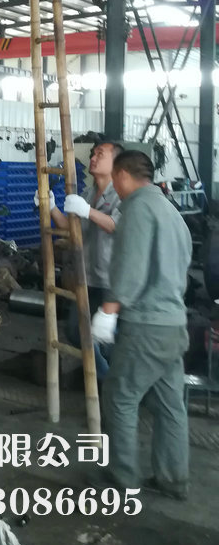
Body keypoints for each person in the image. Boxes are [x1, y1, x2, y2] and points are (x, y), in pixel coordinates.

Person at [91, 150, 192, 499]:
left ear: (121, 175)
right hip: (174, 323)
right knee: (170, 405)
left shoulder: (136, 209)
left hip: (146, 326)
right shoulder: (170, 210)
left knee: (120, 396)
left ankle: (122, 477)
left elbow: (130, 268)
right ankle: (172, 479)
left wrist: (108, 310)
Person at [37, 140, 123, 378]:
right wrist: (52, 207)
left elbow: (118, 226)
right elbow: (70, 229)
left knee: (114, 339)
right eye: (93, 154)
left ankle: (116, 383)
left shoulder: (121, 194)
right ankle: (106, 377)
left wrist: (88, 211)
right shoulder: (87, 193)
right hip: (87, 277)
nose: (93, 158)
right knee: (77, 332)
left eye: (100, 154)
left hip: (113, 282)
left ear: (116, 163)